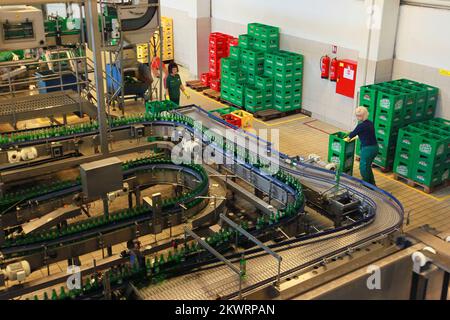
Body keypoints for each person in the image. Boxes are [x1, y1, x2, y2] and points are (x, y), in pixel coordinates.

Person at [345, 107, 379, 186]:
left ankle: (365, 184)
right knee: (367, 166)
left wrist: (346, 139)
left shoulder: (361, 125)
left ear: (361, 116)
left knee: (363, 167)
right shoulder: (370, 123)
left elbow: (351, 135)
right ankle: (372, 184)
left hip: (368, 149)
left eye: (358, 116)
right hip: (375, 148)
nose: (357, 117)